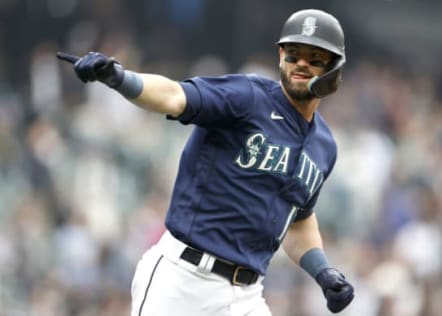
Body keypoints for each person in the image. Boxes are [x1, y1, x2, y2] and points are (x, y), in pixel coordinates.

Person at [58, 8, 354, 316]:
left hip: (247, 295)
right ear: (281, 56)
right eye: (294, 54)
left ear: (335, 68)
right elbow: (175, 95)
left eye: (314, 58)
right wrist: (119, 78)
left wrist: (322, 271)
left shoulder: (324, 145)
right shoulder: (248, 97)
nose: (301, 64)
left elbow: (298, 217)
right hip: (183, 281)